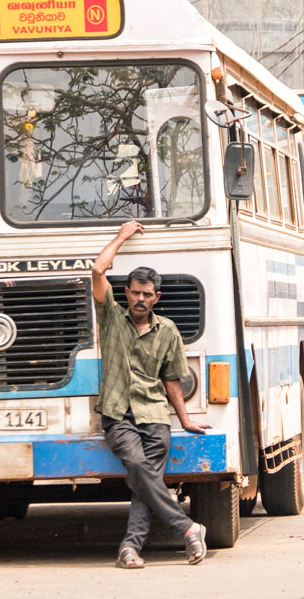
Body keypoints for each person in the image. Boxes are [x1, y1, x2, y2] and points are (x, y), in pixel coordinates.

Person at [92, 220, 210, 569]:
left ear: (156, 297)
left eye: (147, 294)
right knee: (140, 469)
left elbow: (173, 379)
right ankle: (187, 528)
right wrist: (122, 236)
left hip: (156, 417)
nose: (140, 299)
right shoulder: (111, 317)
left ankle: (129, 549)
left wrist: (185, 419)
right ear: (125, 293)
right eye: (134, 292)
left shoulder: (168, 330)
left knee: (145, 481)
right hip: (118, 414)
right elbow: (98, 269)